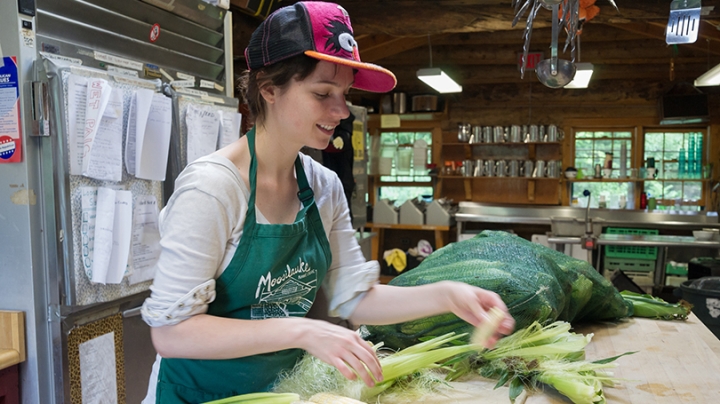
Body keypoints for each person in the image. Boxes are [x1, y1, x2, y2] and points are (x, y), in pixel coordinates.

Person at [140, 2, 514, 403]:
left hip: (282, 393)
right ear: (268, 89)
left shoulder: (323, 186)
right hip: (196, 395)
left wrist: (447, 295)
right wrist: (303, 331)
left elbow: (354, 297)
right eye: (322, 93)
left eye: (345, 93)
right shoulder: (213, 189)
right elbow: (172, 332)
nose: (341, 110)